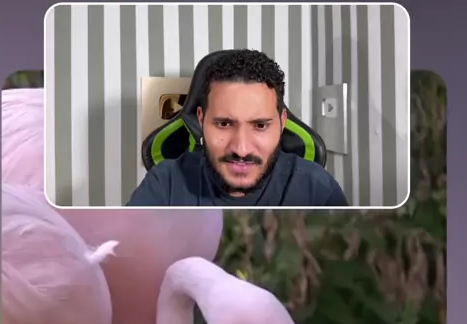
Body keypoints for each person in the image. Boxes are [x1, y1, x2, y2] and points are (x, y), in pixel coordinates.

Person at [126, 49, 348, 207]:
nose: (241, 149)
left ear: (282, 123)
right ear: (201, 120)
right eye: (224, 124)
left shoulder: (318, 191)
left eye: (260, 125)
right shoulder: (165, 184)